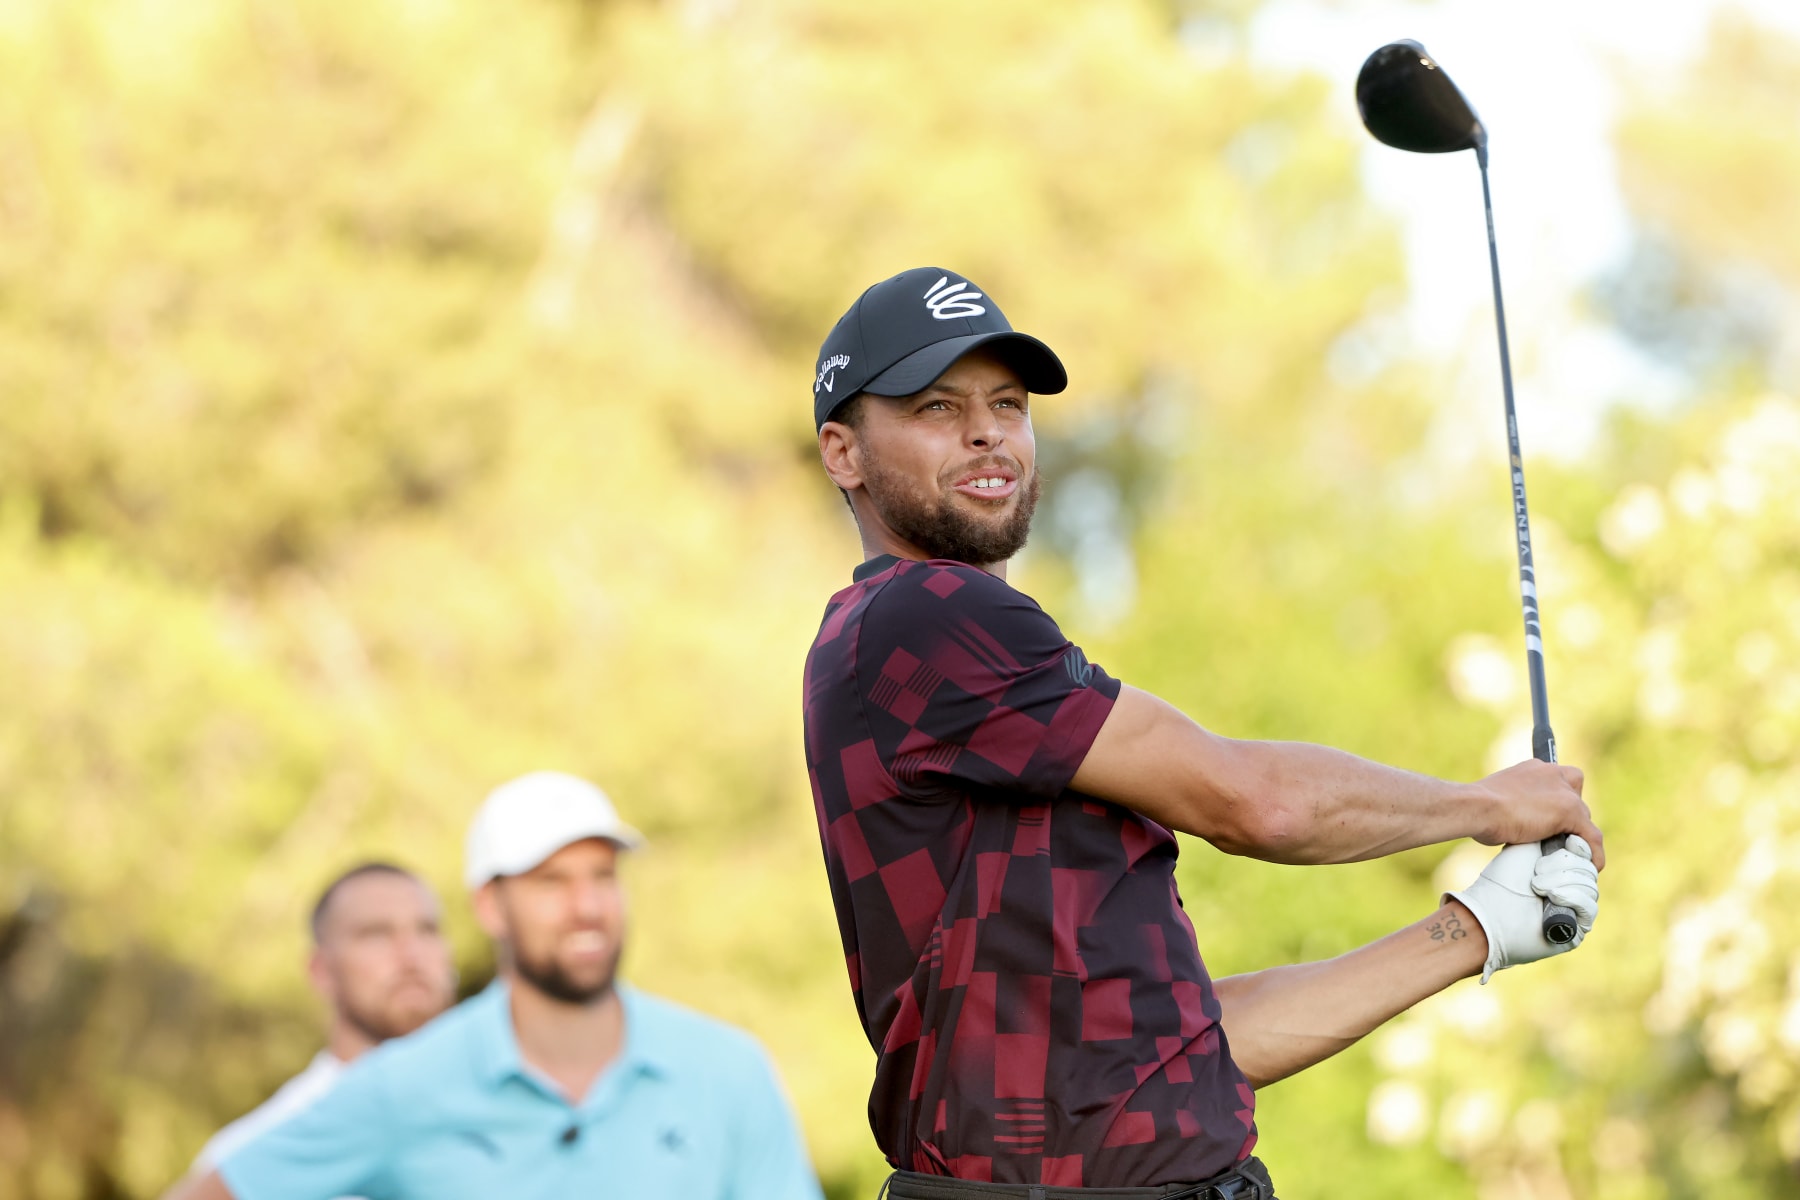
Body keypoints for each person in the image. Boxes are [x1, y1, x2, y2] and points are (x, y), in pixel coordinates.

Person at [802, 267, 1605, 1197]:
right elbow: (1253, 803)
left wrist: (1476, 930)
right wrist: (1489, 806)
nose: (990, 431)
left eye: (1009, 404)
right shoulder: (926, 614)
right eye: (938, 406)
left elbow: (1186, 1055)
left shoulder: (980, 682)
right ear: (843, 452)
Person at [176, 771, 826, 1200]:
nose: (587, 907)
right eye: (551, 883)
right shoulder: (406, 1085)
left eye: (602, 877)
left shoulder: (727, 1070)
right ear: (490, 907)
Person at [164, 862, 457, 1200]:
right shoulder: (255, 1152)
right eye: (376, 934)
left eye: (427, 930)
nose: (411, 956)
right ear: (321, 971)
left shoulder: (509, 1103)